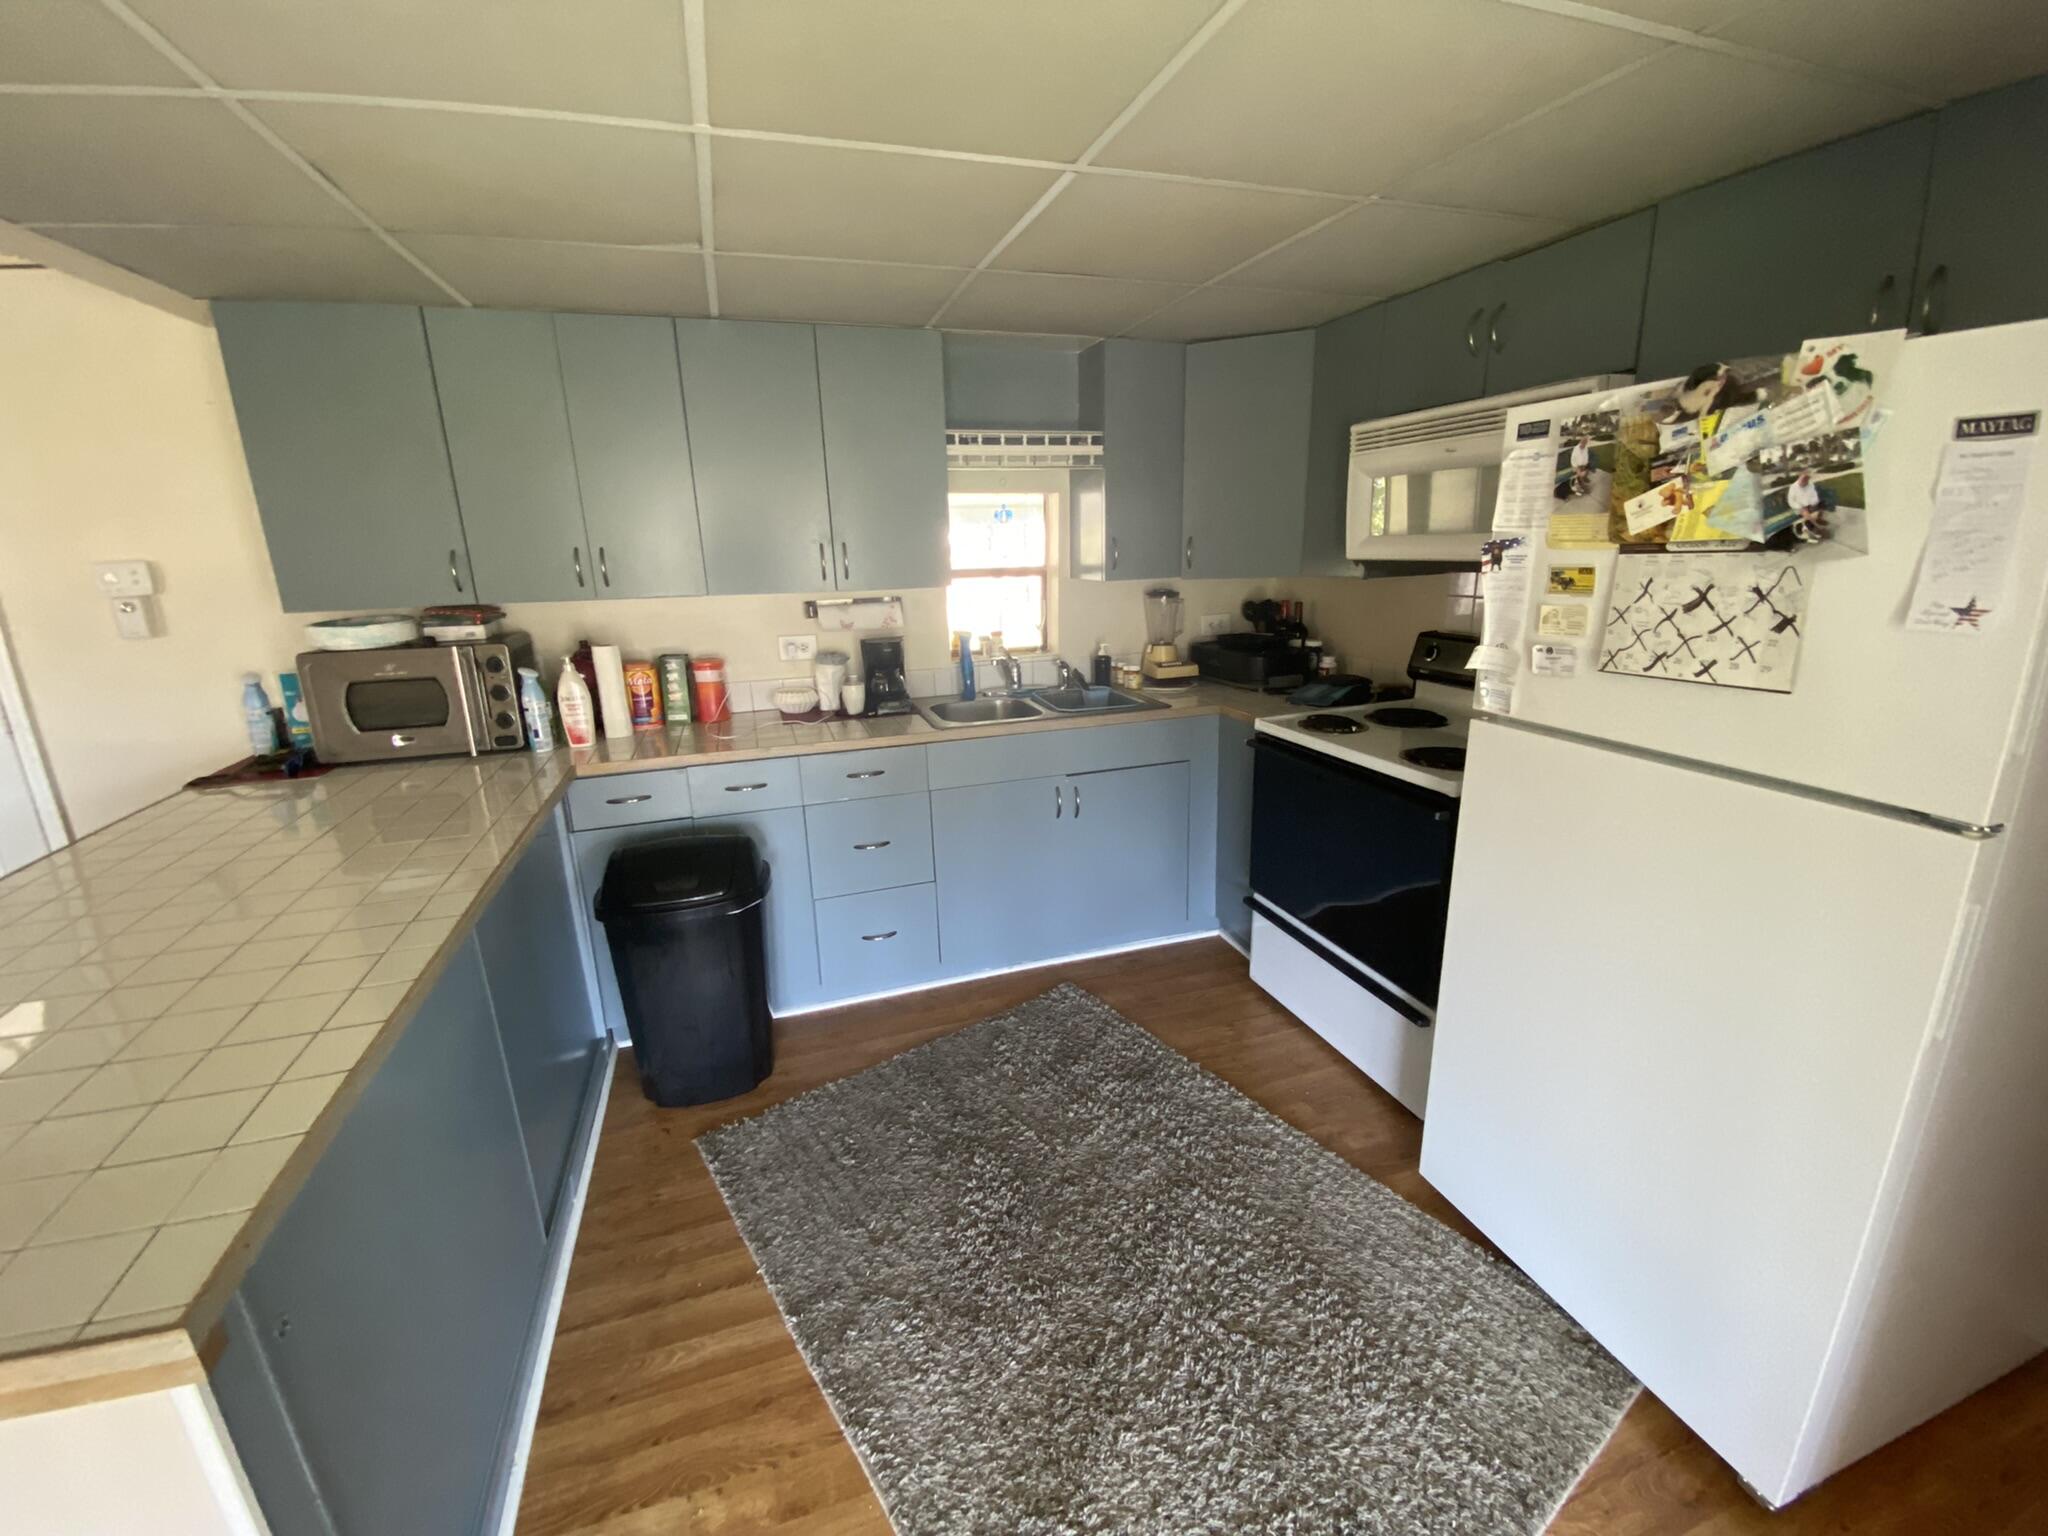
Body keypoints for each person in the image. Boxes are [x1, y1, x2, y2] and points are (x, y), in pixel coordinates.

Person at [1787, 472, 1826, 541]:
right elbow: (1791, 502)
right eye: (1802, 481)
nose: (1804, 483)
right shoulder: (1793, 487)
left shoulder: (1810, 485)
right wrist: (1801, 506)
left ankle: (1815, 522)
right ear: (1799, 479)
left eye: (1806, 481)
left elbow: (1814, 496)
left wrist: (1812, 503)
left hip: (1810, 505)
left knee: (1821, 504)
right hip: (1799, 507)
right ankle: (1818, 527)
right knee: (1805, 512)